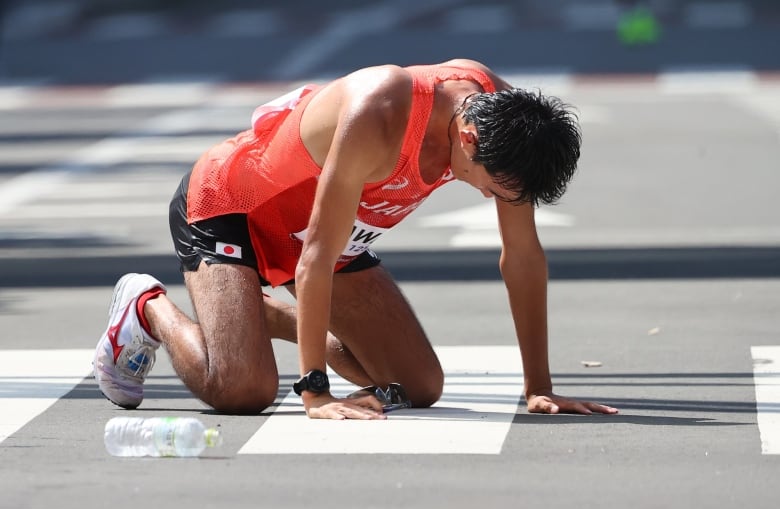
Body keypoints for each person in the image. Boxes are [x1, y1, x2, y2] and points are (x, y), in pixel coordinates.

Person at [93, 58, 618, 420]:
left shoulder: (510, 124)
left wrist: (538, 388)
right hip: (232, 208)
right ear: (468, 137)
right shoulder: (381, 111)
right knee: (243, 389)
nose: (490, 198)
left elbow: (522, 257)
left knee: (417, 387)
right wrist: (315, 392)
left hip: (326, 234)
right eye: (491, 187)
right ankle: (146, 307)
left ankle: (260, 316)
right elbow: (315, 255)